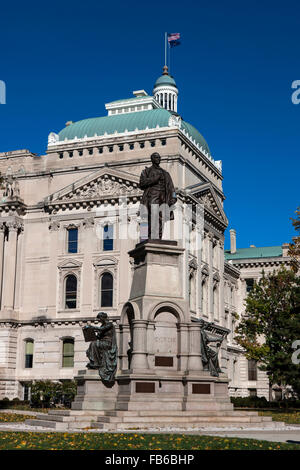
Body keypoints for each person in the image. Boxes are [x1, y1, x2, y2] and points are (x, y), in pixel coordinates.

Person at [139, 152, 177, 239]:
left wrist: (174, 197)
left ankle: (158, 237)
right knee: (152, 215)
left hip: (163, 197)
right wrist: (154, 179)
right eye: (156, 157)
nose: (158, 159)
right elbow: (142, 184)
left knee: (161, 217)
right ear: (152, 159)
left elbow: (171, 188)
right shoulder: (146, 171)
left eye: (159, 157)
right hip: (152, 196)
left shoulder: (165, 173)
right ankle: (149, 235)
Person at [84, 312, 118, 382]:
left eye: (99, 318)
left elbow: (102, 329)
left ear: (103, 318)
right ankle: (95, 362)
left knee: (94, 344)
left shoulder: (110, 324)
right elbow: (98, 336)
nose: (99, 320)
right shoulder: (102, 326)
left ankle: (96, 363)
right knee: (93, 344)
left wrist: (91, 327)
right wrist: (90, 334)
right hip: (102, 342)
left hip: (108, 343)